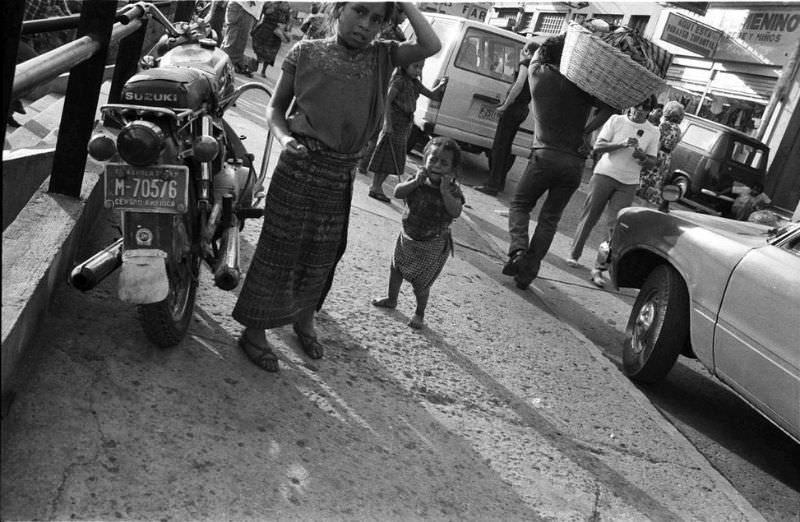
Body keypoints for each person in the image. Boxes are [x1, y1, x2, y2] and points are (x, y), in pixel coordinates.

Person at [232, 2, 441, 372]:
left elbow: (431, 44)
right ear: (338, 9)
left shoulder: (383, 57)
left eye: (377, 19)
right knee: (278, 251)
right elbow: (276, 108)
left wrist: (404, 4)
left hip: (339, 172)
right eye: (359, 12)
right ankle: (255, 331)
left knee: (322, 254)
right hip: (299, 165)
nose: (366, 25)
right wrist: (283, 139)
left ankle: (303, 318)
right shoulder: (305, 52)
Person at [505, 34, 615, 290]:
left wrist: (567, 37)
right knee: (549, 219)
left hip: (544, 155)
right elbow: (610, 107)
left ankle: (518, 250)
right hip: (573, 164)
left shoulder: (536, 74)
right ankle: (527, 274)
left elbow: (535, 49)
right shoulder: (582, 85)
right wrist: (586, 130)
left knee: (520, 206)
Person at [372, 137, 465, 329]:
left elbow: (455, 211)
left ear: (452, 170)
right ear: (425, 160)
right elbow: (397, 192)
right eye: (433, 159)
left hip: (432, 243)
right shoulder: (417, 180)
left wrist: (445, 192)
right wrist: (415, 182)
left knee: (421, 284)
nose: (437, 165)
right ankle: (391, 299)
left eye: (444, 162)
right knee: (396, 268)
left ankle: (419, 313)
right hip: (408, 236)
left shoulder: (453, 190)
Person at [566, 99, 659, 287]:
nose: (639, 112)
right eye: (637, 107)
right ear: (631, 106)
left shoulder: (653, 131)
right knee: (590, 215)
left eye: (644, 109)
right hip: (605, 174)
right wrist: (621, 144)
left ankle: (598, 269)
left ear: (649, 112)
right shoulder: (616, 120)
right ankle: (574, 254)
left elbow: (652, 162)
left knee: (614, 227)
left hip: (629, 181)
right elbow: (598, 147)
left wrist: (641, 155)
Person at [366, 60, 446, 202]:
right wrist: (387, 123)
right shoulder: (399, 81)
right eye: (415, 66)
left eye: (421, 68)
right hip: (394, 122)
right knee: (386, 156)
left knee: (394, 157)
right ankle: (375, 187)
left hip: (404, 125)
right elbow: (387, 102)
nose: (418, 71)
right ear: (405, 66)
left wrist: (441, 85)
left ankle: (377, 187)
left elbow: (431, 94)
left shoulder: (414, 83)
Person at [475, 40, 539, 197]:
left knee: (499, 146)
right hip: (523, 108)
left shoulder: (526, 63)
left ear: (526, 51)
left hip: (514, 107)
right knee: (506, 146)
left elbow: (518, 85)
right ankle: (500, 182)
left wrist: (505, 105)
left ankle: (492, 184)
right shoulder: (538, 67)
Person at [353, 10, 408, 177]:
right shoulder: (385, 30)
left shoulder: (398, 32)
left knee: (373, 130)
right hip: (374, 81)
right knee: (368, 128)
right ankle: (359, 161)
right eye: (403, 13)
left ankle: (361, 162)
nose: (405, 18)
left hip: (384, 84)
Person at [637, 100, 685, 205]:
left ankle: (640, 201)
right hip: (666, 158)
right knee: (657, 181)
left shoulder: (664, 126)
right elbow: (674, 147)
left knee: (647, 178)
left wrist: (649, 156)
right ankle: (649, 202)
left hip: (658, 154)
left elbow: (657, 143)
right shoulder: (678, 130)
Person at [220, 0, 262, 77]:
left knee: (234, 42)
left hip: (246, 9)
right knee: (234, 43)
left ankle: (226, 68)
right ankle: (222, 70)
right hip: (244, 8)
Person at [250, 2, 292, 78]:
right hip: (264, 30)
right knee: (259, 49)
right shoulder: (269, 3)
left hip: (276, 33)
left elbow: (287, 21)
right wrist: (255, 25)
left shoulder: (286, 6)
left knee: (271, 54)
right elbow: (260, 14)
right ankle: (255, 65)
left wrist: (284, 27)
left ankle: (263, 70)